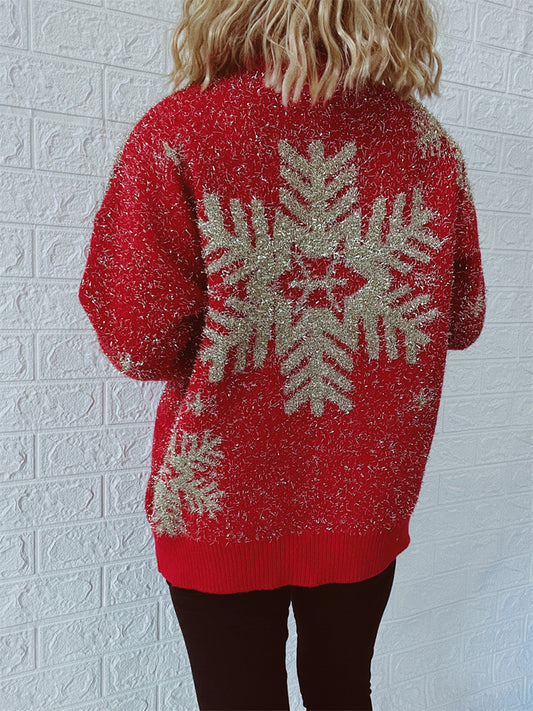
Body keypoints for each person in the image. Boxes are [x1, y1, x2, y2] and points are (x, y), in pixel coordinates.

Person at [78, 1, 487, 709]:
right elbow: (462, 320)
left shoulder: (177, 133)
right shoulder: (428, 147)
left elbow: (138, 343)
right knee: (342, 689)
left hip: (219, 507)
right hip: (364, 503)